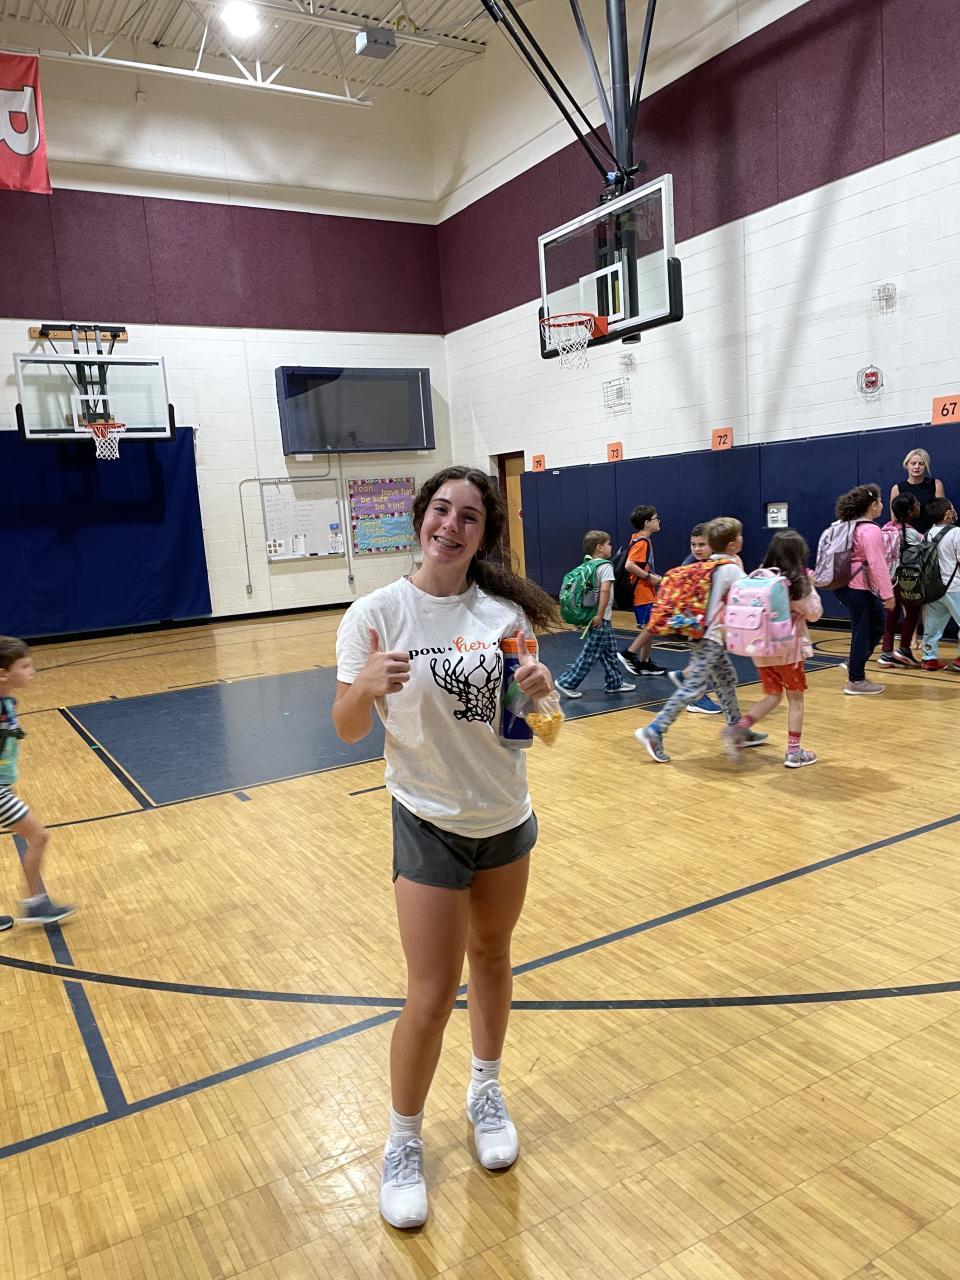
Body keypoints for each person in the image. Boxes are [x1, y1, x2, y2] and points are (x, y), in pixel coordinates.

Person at [332, 466, 559, 1230]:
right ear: (420, 519)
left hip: (505, 817)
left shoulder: (504, 616)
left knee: (491, 957)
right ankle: (403, 1141)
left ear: (483, 534)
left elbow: (538, 730)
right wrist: (364, 685)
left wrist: (542, 696)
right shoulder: (375, 615)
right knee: (430, 992)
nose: (451, 526)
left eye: (469, 516)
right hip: (427, 818)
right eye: (441, 510)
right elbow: (346, 729)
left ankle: (485, 1091)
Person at [634, 517, 768, 763]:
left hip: (699, 634)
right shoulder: (729, 568)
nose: (742, 539)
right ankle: (654, 730)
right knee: (694, 686)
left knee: (726, 678)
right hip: (711, 639)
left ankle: (738, 729)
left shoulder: (708, 566)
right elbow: (751, 596)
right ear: (731, 544)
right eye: (739, 536)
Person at [729, 531, 823, 768]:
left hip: (760, 650)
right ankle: (794, 752)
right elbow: (814, 613)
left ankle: (739, 729)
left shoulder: (760, 576)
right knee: (796, 699)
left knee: (773, 695)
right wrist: (811, 586)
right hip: (787, 651)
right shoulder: (797, 583)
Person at [0, 638, 74, 926]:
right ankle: (36, 904)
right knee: (39, 836)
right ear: (3, 673)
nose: (32, 671)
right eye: (25, 666)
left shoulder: (7, 701)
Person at [555, 531, 636, 698]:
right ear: (600, 547)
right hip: (600, 618)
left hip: (598, 616)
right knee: (590, 654)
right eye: (608, 544)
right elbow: (605, 590)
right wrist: (599, 615)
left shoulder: (588, 565)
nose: (611, 547)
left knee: (610, 651)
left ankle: (614, 682)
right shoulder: (605, 566)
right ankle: (566, 682)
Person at [833, 484, 895, 695]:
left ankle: (854, 664)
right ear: (873, 505)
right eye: (880, 501)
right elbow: (878, 563)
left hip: (844, 584)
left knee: (876, 625)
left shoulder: (846, 525)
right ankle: (855, 679)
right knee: (864, 630)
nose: (882, 505)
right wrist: (888, 594)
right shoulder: (871, 530)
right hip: (858, 586)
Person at [666, 524, 723, 714]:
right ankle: (696, 697)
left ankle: (695, 693)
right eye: (693, 544)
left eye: (701, 544)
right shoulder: (690, 564)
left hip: (707, 620)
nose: (697, 549)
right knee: (704, 658)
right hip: (693, 621)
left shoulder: (713, 562)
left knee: (707, 658)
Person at [618, 506, 667, 677]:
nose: (658, 520)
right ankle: (630, 653)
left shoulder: (638, 539)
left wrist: (651, 574)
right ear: (647, 522)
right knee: (651, 626)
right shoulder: (642, 542)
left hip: (645, 591)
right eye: (656, 518)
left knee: (649, 627)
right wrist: (649, 577)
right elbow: (629, 565)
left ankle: (645, 663)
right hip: (642, 592)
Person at [878, 493, 923, 668]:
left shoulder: (886, 528)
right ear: (910, 511)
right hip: (907, 579)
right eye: (916, 504)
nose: (919, 505)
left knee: (891, 615)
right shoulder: (910, 532)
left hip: (889, 579)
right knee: (912, 612)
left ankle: (886, 653)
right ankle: (904, 649)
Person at [919, 498, 960, 671]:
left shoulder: (928, 533)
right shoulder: (956, 532)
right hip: (954, 586)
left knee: (933, 624)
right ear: (947, 513)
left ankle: (929, 658)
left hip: (934, 587)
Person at [889, 448, 945, 535]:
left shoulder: (936, 484)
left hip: (932, 536)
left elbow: (942, 514)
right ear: (907, 465)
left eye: (921, 464)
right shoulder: (897, 489)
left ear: (926, 466)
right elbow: (895, 520)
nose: (917, 467)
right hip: (908, 537)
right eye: (913, 463)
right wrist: (913, 536)